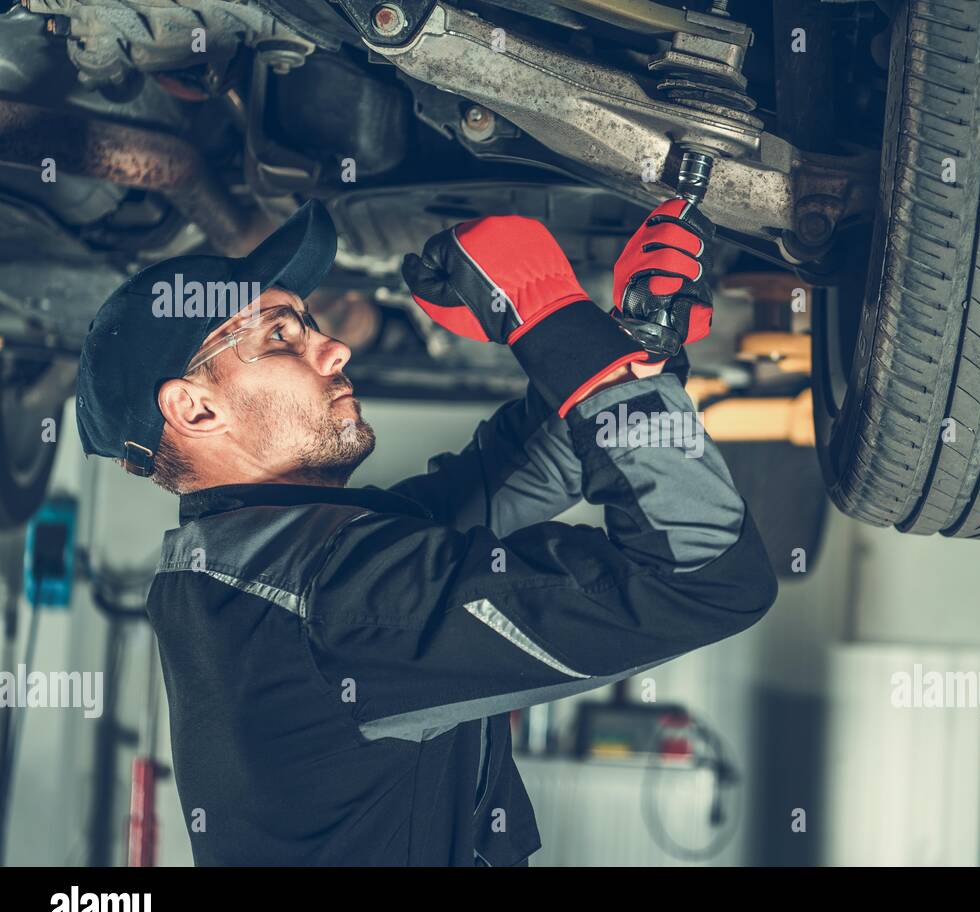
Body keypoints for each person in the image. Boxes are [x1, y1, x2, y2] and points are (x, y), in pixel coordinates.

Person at [74, 198, 778, 866]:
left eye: (309, 323)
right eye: (281, 336)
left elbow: (515, 473)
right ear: (195, 411)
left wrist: (626, 341)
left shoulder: (257, 563)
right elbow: (706, 575)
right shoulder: (325, 597)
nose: (336, 347)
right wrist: (549, 316)